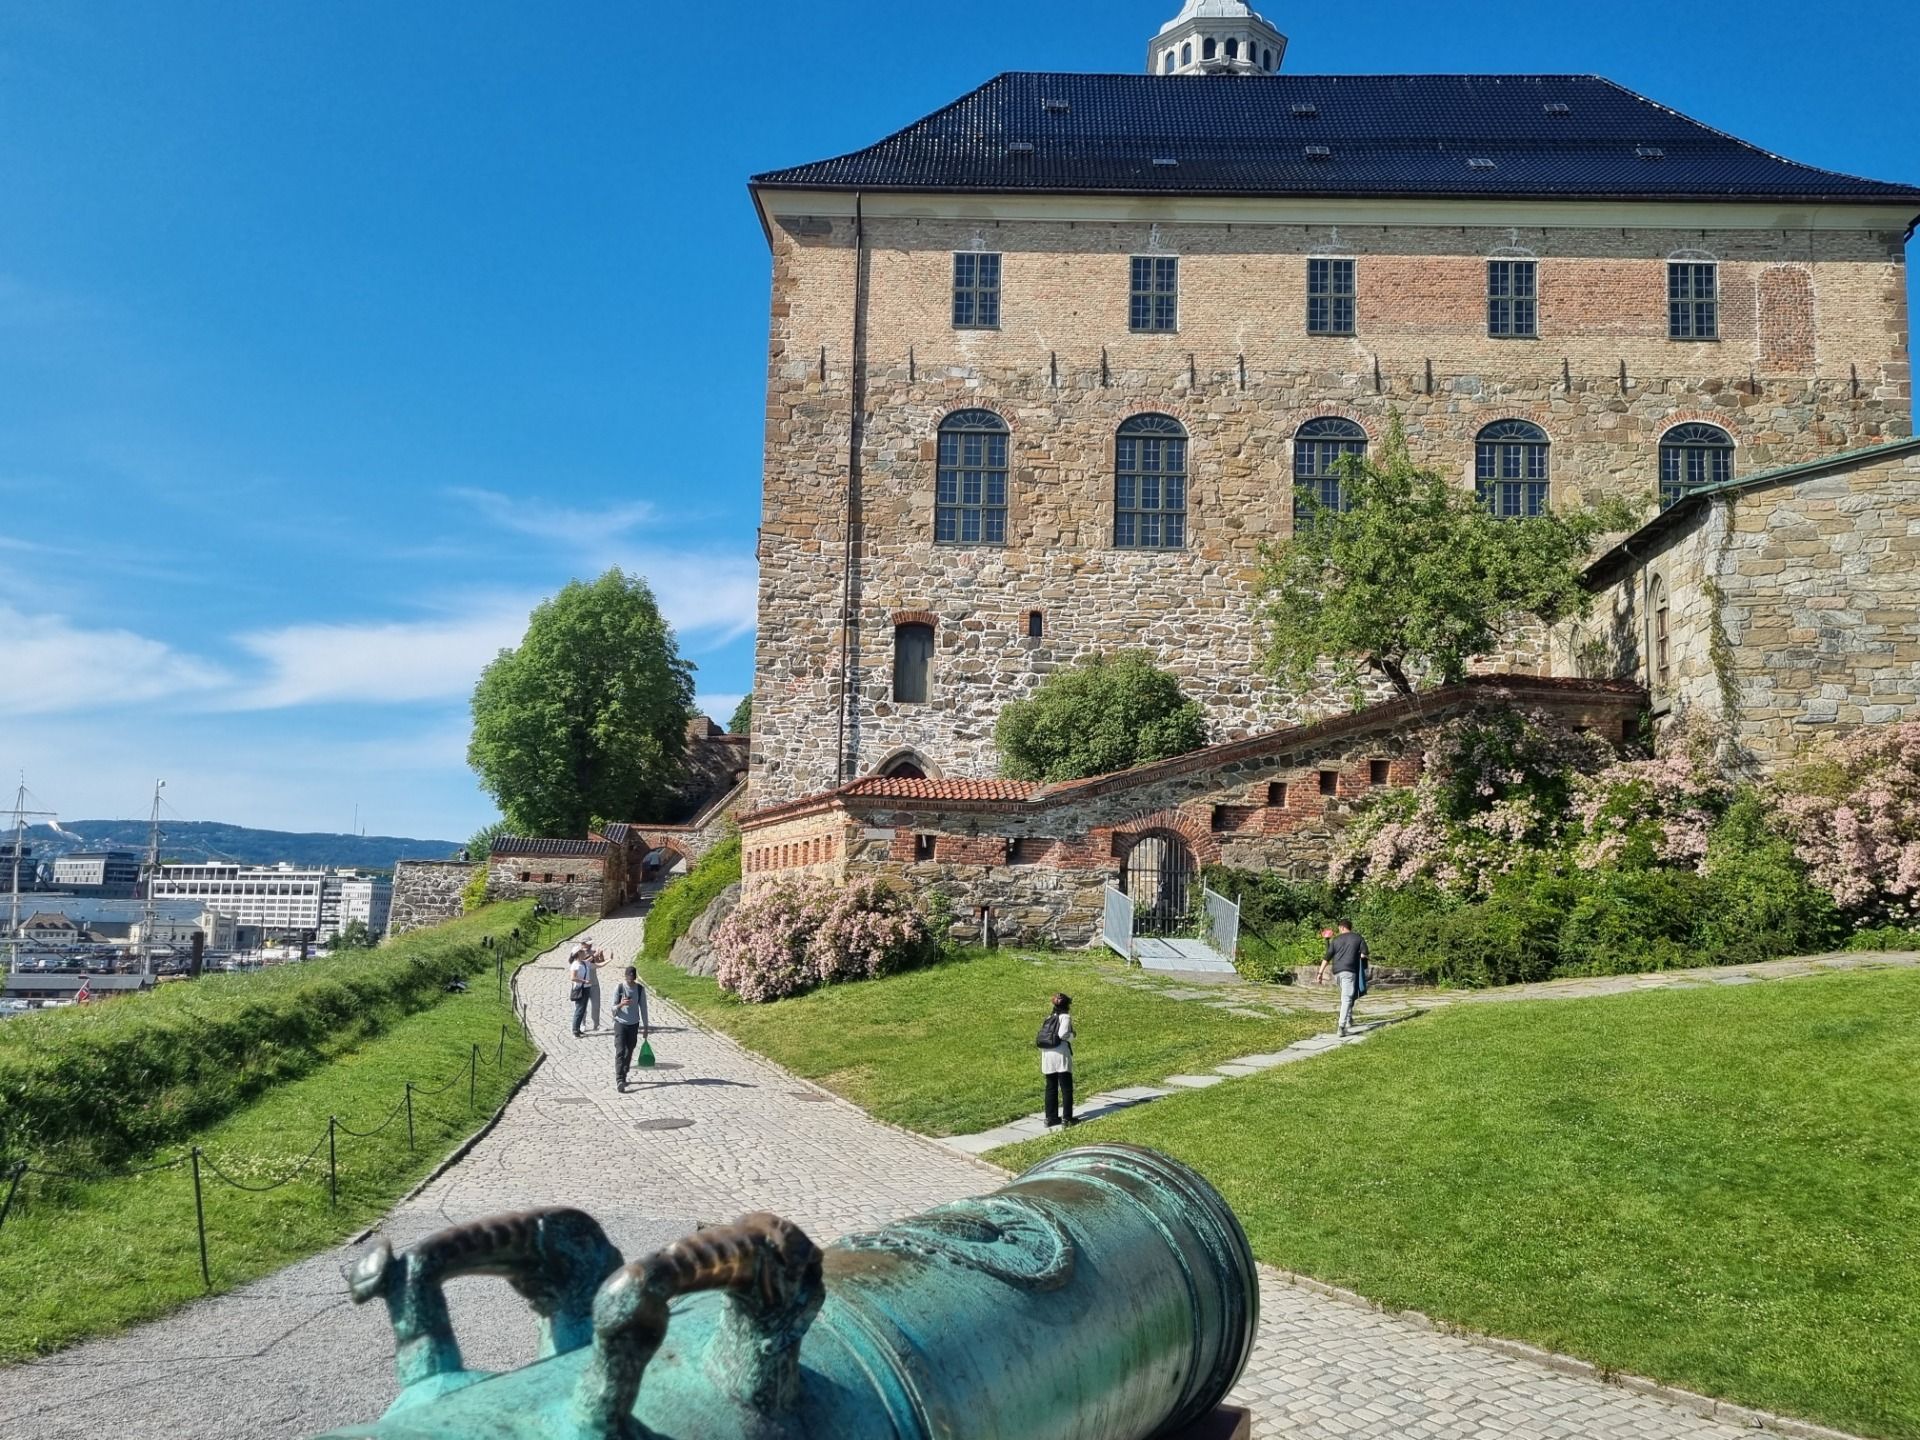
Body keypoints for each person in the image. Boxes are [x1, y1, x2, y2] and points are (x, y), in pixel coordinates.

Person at [1316, 920, 1370, 1037]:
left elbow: (1327, 957)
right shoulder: (1358, 938)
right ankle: (1341, 1027)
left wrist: (1320, 973)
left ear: (1341, 928)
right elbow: (1364, 954)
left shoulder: (1335, 940)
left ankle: (1349, 1018)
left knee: (1347, 996)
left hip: (1337, 972)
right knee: (1347, 998)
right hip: (1350, 971)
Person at [1038, 992, 1076, 1128]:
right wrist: (1072, 1036)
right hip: (1060, 1054)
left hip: (1047, 1055)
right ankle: (1067, 1118)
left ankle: (1050, 1117)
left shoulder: (1049, 1017)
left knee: (1051, 1087)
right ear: (1067, 1005)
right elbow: (1063, 1034)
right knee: (1066, 1088)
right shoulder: (1065, 1017)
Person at [611, 965, 648, 1091]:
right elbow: (612, 1009)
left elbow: (643, 1008)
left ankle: (624, 1071)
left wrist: (646, 1026)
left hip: (634, 1024)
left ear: (635, 977)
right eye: (628, 978)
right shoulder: (620, 988)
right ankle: (619, 1079)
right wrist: (621, 1004)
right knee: (620, 1051)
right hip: (620, 1023)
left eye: (632, 978)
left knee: (630, 1050)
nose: (630, 980)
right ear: (625, 976)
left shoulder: (639, 989)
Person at [568, 946, 593, 1038]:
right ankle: (575, 1030)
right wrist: (584, 981)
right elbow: (573, 978)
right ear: (578, 953)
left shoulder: (583, 962)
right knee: (579, 1010)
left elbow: (590, 961)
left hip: (586, 988)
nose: (584, 953)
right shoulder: (575, 964)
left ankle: (578, 1029)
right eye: (582, 952)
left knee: (582, 1009)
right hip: (579, 989)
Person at [585, 943, 607, 1031]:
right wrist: (594, 955)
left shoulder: (593, 952)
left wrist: (600, 955)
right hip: (584, 985)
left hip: (594, 983)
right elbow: (584, 962)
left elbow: (600, 962)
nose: (590, 945)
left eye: (590, 943)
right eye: (587, 943)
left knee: (596, 1005)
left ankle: (596, 1025)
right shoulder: (580, 953)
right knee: (583, 1006)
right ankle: (582, 1024)